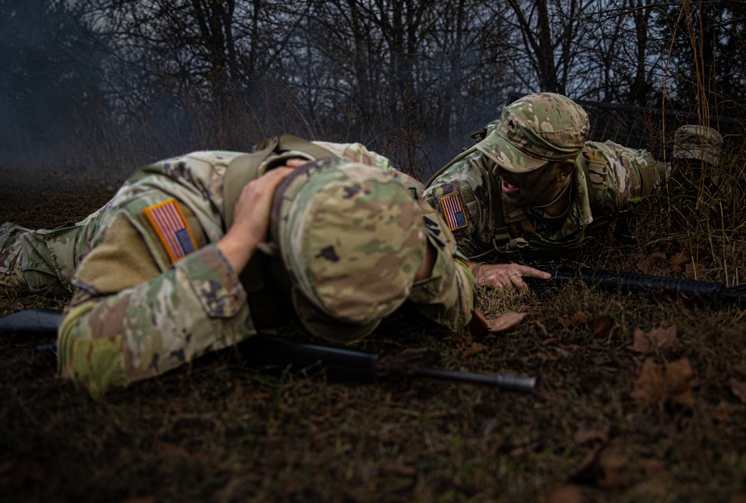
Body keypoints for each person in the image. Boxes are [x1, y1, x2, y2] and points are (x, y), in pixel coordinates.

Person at [1, 136, 475, 396]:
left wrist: (426, 262)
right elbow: (84, 353)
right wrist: (235, 246)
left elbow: (451, 281)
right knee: (34, 259)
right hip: (134, 230)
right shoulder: (169, 214)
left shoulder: (371, 179)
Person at [423, 93, 722, 291]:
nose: (499, 170)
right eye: (497, 156)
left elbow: (683, 180)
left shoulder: (611, 176)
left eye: (519, 164)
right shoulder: (464, 190)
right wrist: (476, 271)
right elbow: (407, 252)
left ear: (564, 170)